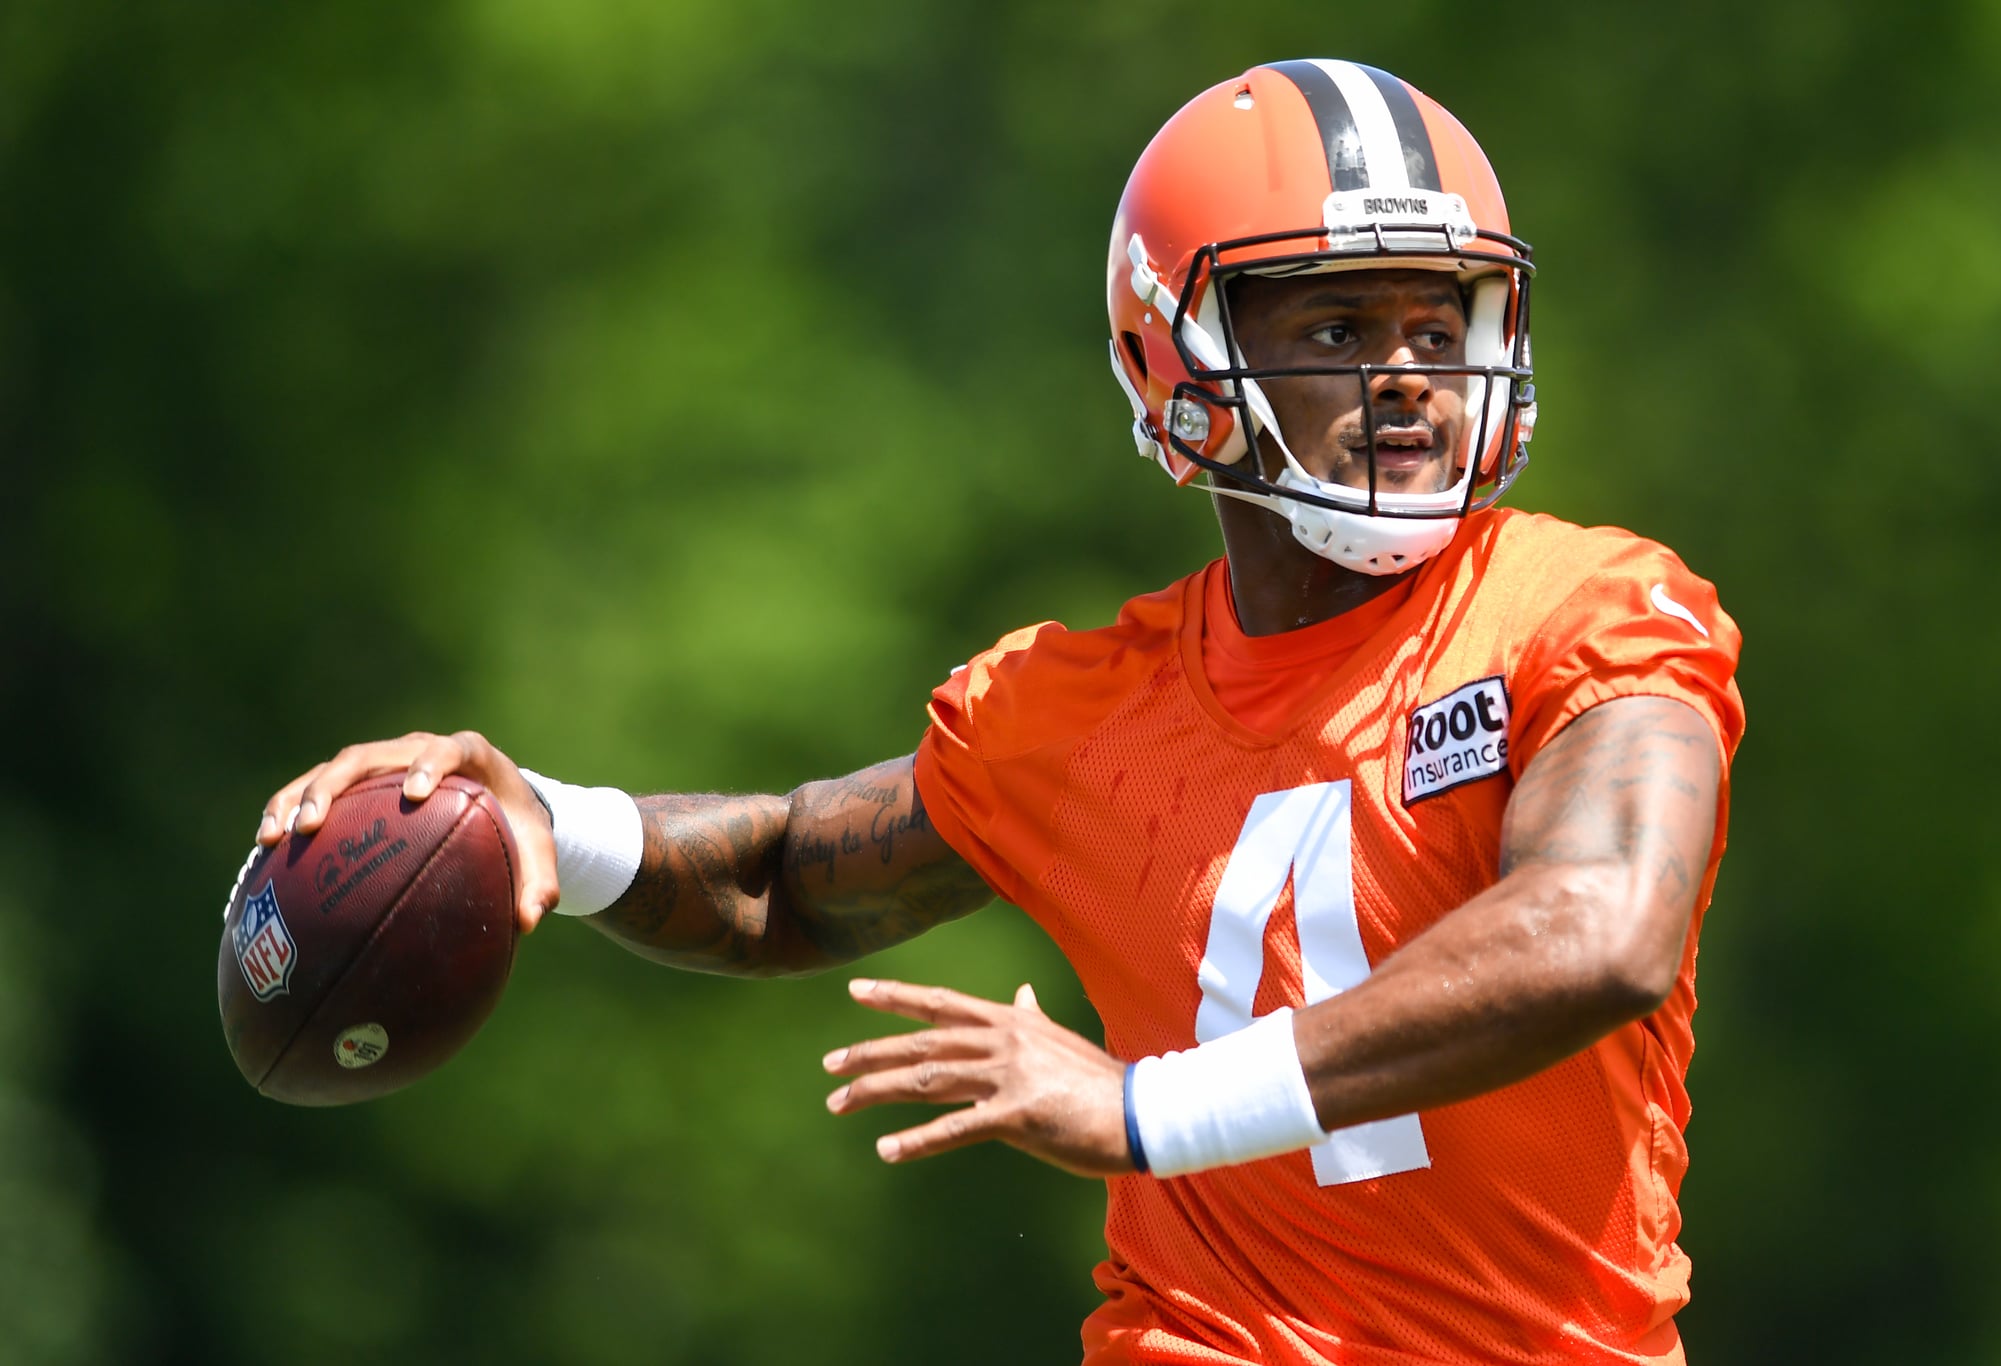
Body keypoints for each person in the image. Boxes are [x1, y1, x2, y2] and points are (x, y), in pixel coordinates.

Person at [257, 60, 1742, 1365]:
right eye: (1344, 327)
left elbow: (1602, 928)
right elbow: (786, 875)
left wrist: (1152, 1110)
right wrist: (545, 822)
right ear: (1183, 360)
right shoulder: (1081, 710)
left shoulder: (1589, 607)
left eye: (1440, 322)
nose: (1411, 377)